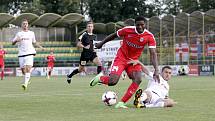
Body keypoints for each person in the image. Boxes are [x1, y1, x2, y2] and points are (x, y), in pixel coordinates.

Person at [90, 16, 159, 108]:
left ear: (145, 25)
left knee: (138, 79)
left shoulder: (149, 36)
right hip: (121, 58)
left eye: (142, 25)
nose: (140, 27)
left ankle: (121, 103)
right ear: (135, 25)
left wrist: (157, 70)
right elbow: (114, 35)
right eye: (138, 25)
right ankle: (100, 79)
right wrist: (101, 43)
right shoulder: (127, 30)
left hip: (133, 61)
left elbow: (153, 54)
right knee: (112, 81)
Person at [12, 19, 44, 90]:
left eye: (26, 24)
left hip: (30, 53)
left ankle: (25, 84)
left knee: (28, 68)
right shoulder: (19, 34)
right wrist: (16, 40)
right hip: (21, 54)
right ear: (21, 25)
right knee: (23, 70)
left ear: (28, 25)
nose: (25, 25)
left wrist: (40, 47)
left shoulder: (31, 33)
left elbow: (34, 42)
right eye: (23, 24)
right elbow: (12, 43)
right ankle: (27, 78)